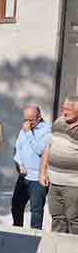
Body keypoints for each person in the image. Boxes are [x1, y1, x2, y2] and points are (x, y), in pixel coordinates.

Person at [39, 96, 78, 233]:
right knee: (57, 217)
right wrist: (42, 172)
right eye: (63, 108)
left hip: (73, 184)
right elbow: (48, 147)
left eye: (68, 109)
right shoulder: (59, 122)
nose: (64, 112)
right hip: (54, 181)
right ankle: (57, 244)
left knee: (74, 219)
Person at [11, 105, 51, 229]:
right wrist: (20, 164)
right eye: (25, 119)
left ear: (39, 117)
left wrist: (28, 132)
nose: (27, 123)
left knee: (36, 210)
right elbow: (18, 148)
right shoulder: (24, 128)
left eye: (31, 120)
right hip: (24, 176)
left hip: (38, 178)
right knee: (16, 206)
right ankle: (17, 231)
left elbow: (40, 150)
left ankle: (35, 235)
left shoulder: (47, 130)